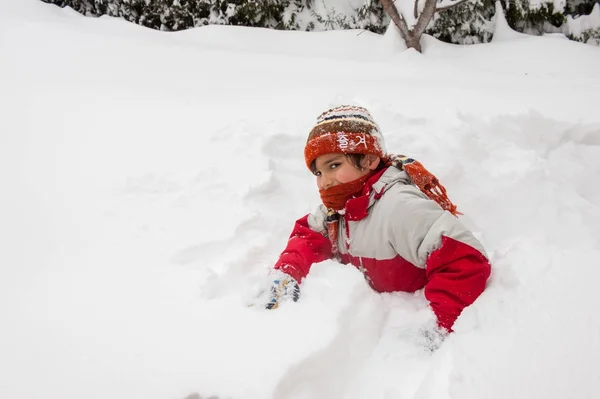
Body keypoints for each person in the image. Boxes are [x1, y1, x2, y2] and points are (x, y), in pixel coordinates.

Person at [263, 105, 491, 334]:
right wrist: (288, 270)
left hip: (401, 319)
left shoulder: (398, 207)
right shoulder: (337, 210)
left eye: (334, 165)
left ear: (370, 159)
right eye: (319, 173)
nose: (325, 182)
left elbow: (465, 260)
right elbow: (309, 236)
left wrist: (440, 322)